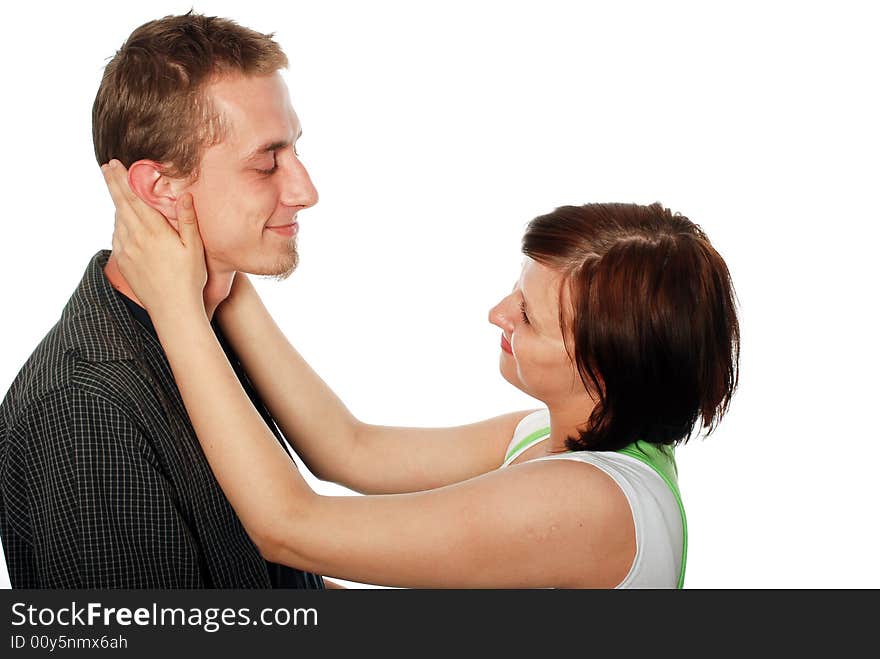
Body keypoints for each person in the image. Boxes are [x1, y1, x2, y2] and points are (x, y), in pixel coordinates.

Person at [104, 155, 740, 587]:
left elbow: (290, 528)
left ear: (602, 371)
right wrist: (223, 260)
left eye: (528, 315)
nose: (497, 314)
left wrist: (175, 306)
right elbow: (349, 449)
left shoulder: (591, 501)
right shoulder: (547, 435)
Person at [0, 12, 326, 588]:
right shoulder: (85, 408)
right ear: (160, 188)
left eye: (295, 151)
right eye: (266, 163)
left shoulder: (217, 329)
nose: (306, 191)